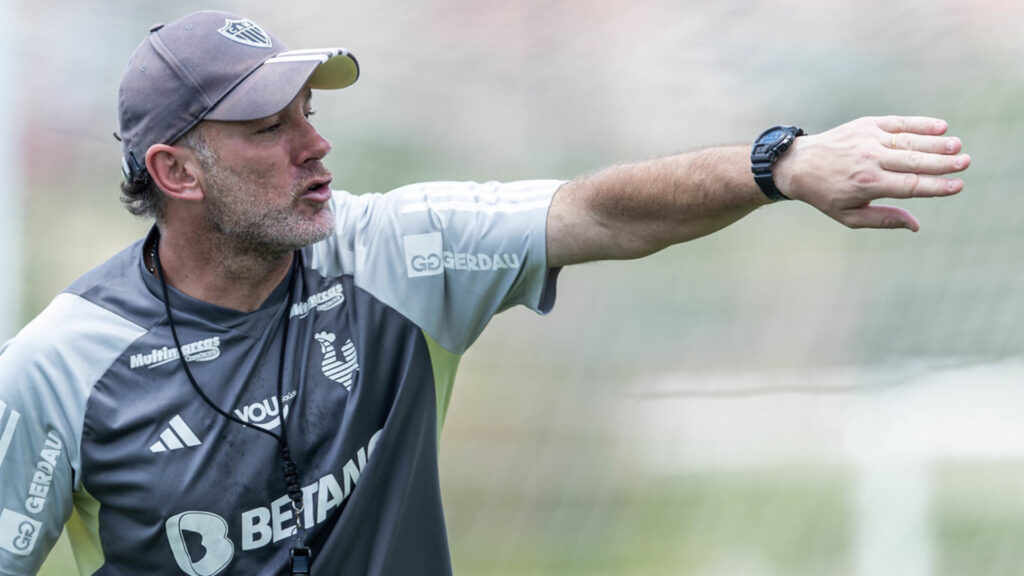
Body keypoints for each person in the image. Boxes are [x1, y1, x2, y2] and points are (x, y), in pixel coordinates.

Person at [0, 9, 969, 576]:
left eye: (310, 112)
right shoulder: (59, 368)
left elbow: (598, 212)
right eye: (267, 127)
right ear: (175, 171)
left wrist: (779, 166)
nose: (314, 143)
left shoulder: (395, 253)